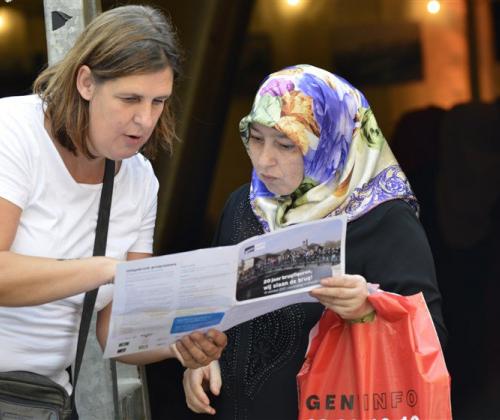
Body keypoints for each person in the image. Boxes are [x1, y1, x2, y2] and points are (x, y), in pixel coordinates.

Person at [181, 64, 447, 419]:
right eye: (256, 138)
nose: (264, 160)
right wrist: (199, 359)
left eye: (286, 144)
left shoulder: (382, 219)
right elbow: (211, 313)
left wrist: (367, 309)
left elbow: (432, 342)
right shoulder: (243, 207)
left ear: (331, 143)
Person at [0, 4, 226, 404]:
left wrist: (181, 345)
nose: (144, 119)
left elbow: (119, 331)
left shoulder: (139, 180)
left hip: (39, 400)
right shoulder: (12, 131)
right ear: (86, 82)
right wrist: (107, 270)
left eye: (158, 102)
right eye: (130, 98)